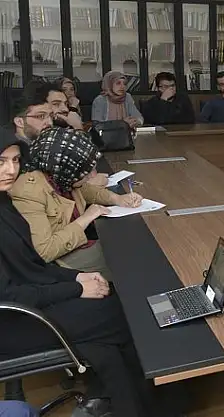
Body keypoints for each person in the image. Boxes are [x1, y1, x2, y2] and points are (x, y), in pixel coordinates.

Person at [0, 129, 160, 417]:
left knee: (106, 337)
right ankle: (155, 402)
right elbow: (10, 292)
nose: (11, 170)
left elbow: (31, 266)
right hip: (14, 321)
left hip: (29, 303)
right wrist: (76, 288)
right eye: (1, 162)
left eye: (15, 160)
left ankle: (125, 405)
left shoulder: (3, 203)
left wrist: (76, 278)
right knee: (126, 315)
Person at [9, 127, 142, 278]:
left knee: (131, 247)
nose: (93, 175)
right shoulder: (29, 192)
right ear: (67, 169)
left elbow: (85, 189)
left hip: (77, 245)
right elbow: (44, 252)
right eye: (86, 172)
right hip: (60, 261)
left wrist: (117, 199)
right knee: (131, 262)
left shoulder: (60, 176)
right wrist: (85, 218)